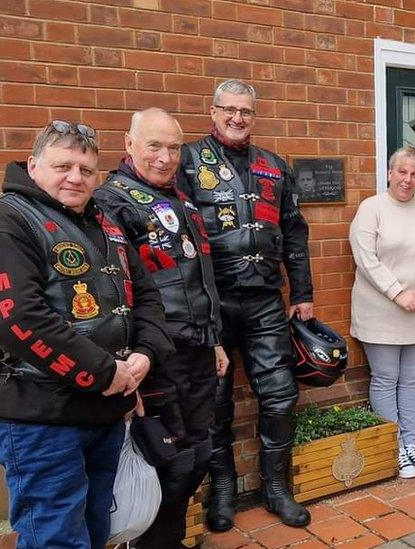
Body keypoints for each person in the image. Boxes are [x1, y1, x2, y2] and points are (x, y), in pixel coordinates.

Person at [0, 121, 174, 548]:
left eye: (86, 169)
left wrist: (145, 354)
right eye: (63, 166)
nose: (75, 177)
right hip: (38, 415)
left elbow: (146, 296)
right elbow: (17, 317)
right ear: (34, 165)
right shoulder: (1, 220)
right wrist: (103, 372)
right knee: (55, 536)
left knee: (96, 528)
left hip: (105, 409)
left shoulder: (104, 223)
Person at [179, 79, 313, 529]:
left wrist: (304, 293)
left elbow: (295, 232)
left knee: (279, 395)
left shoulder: (274, 166)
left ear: (255, 116)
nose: (238, 118)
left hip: (264, 302)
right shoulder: (187, 161)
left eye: (246, 112)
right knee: (215, 402)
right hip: (210, 304)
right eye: (229, 110)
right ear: (213, 112)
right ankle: (223, 492)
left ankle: (276, 488)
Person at [94, 108, 229, 548]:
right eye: (154, 145)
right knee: (166, 462)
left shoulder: (181, 197)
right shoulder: (111, 202)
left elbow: (200, 278)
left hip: (197, 352)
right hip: (154, 358)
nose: (165, 156)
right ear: (129, 144)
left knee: (196, 456)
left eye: (173, 147)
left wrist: (216, 341)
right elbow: (115, 295)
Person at [349, 146, 415, 479]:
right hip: (381, 310)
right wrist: (398, 293)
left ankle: (411, 443)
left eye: (414, 174)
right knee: (385, 379)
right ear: (390, 173)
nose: (408, 179)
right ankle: (392, 446)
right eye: (402, 172)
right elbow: (365, 258)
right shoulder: (372, 209)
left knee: (412, 380)